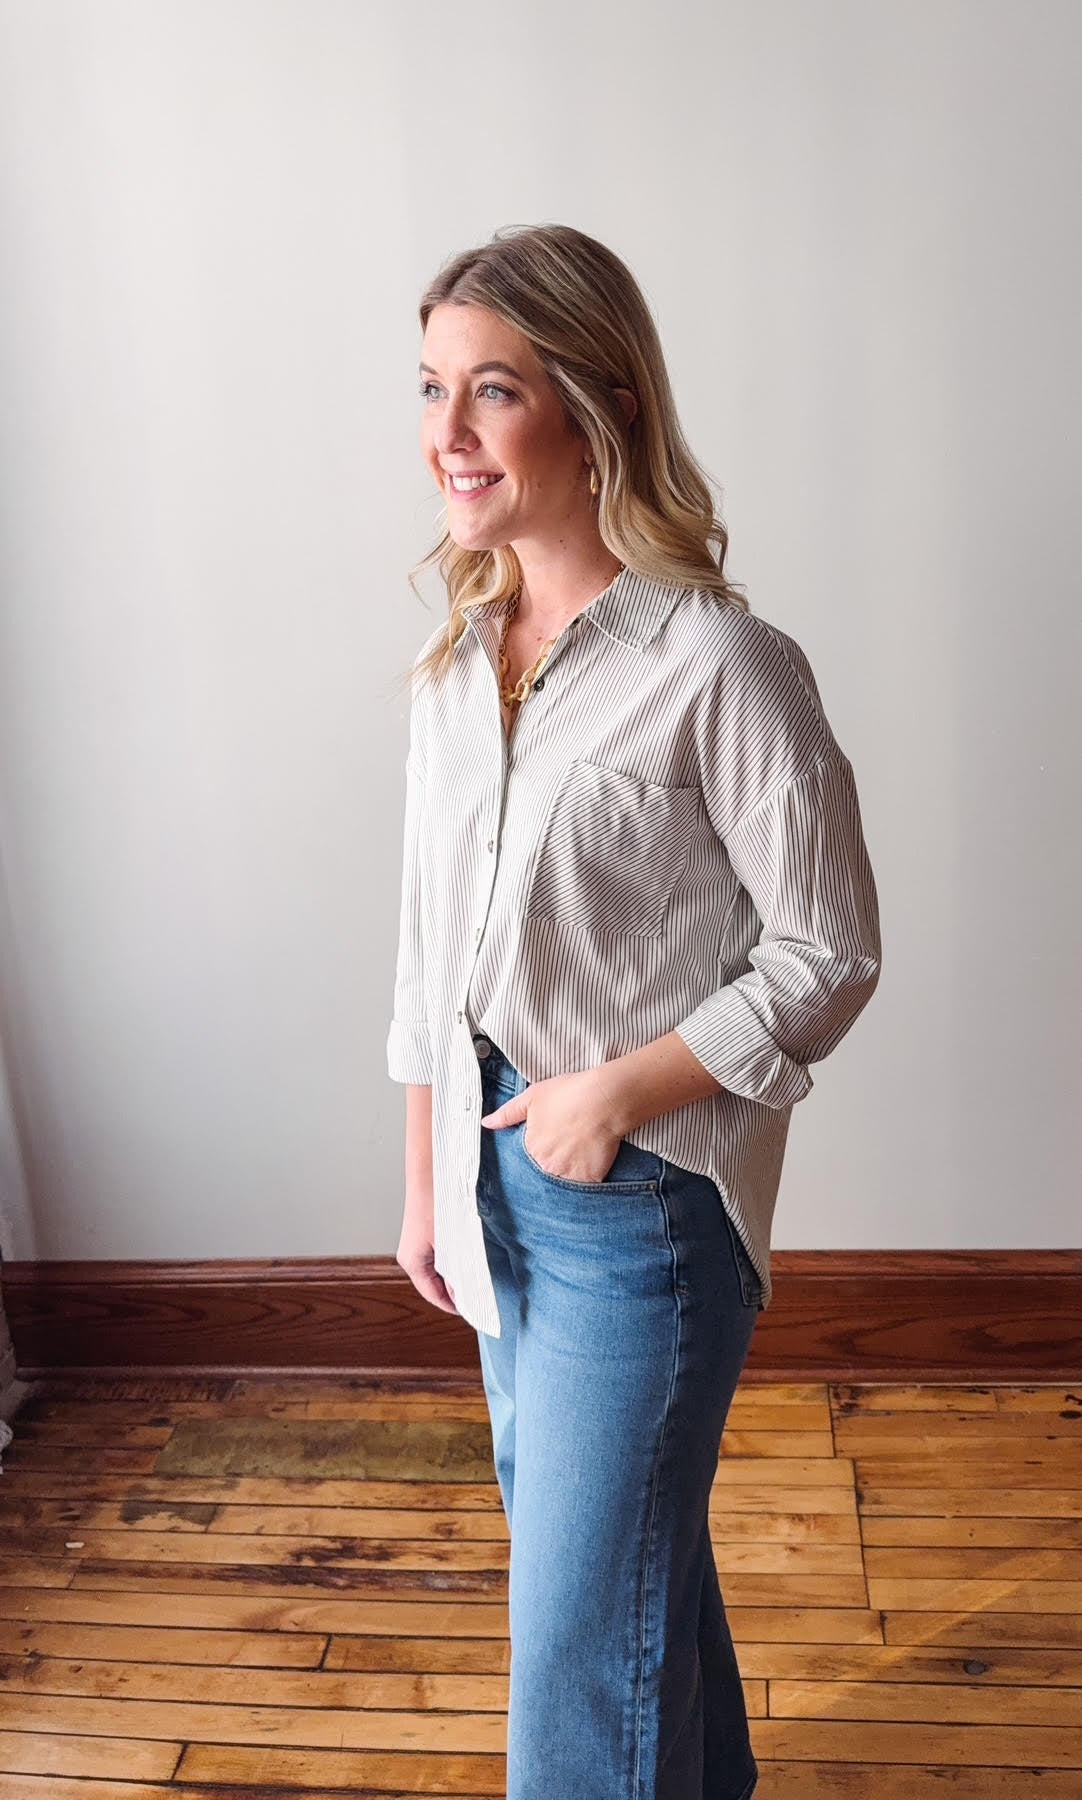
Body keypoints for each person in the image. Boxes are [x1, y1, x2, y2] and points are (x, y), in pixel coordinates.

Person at [386, 222, 881, 1800]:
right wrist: (425, 1175)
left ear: (597, 405)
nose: (448, 433)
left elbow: (829, 950)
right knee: (617, 1583)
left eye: (493, 389)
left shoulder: (722, 662)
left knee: (577, 1638)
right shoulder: (456, 661)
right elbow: (427, 945)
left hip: (639, 1208)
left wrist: (618, 1092)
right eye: (431, 388)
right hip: (488, 1178)